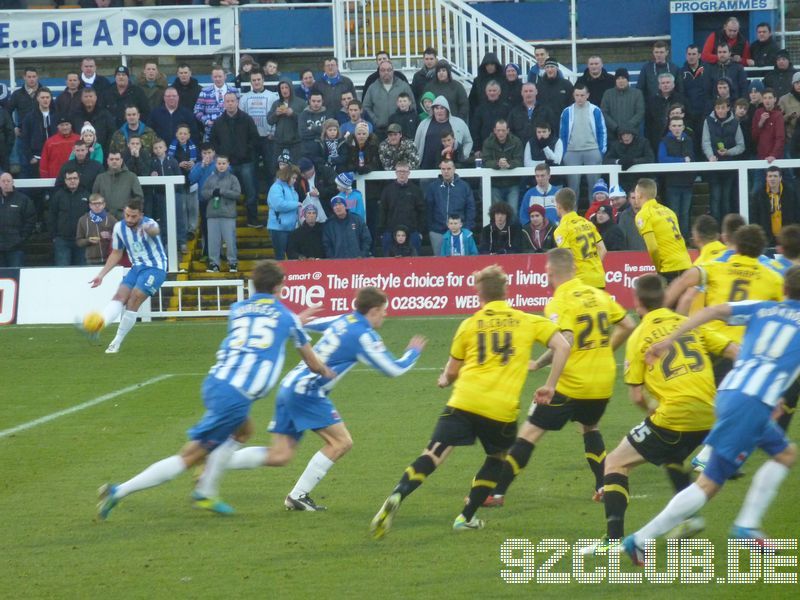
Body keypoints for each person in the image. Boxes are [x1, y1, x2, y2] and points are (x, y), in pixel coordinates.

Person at [97, 260, 335, 519]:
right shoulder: (287, 317)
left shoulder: (238, 308)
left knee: (244, 431)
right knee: (188, 457)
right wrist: (326, 371)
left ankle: (208, 490)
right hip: (235, 396)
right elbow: (312, 363)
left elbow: (261, 327)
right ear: (279, 287)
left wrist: (294, 323)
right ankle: (119, 491)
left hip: (216, 382)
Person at [370, 264, 571, 537]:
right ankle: (465, 516)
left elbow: (452, 371)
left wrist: (444, 379)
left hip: (463, 402)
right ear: (506, 292)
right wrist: (550, 385)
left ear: (479, 295)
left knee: (433, 454)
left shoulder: (469, 324)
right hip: (500, 410)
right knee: (497, 457)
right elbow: (564, 345)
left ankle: (397, 494)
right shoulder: (526, 320)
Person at [621, 266, 800, 564]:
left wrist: (670, 339)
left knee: (784, 454)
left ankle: (747, 524)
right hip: (752, 403)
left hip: (730, 392)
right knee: (709, 483)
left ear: (784, 290)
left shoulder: (765, 309)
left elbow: (714, 310)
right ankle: (641, 539)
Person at [226, 286, 425, 510]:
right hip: (307, 392)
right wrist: (413, 353)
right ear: (373, 311)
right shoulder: (363, 335)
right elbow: (393, 369)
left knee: (279, 455)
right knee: (341, 442)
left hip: (291, 385)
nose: (386, 315)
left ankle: (217, 461)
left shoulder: (346, 319)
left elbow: (318, 324)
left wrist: (300, 321)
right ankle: (298, 496)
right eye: (383, 310)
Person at [586, 274, 738, 551]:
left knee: (616, 462)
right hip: (710, 414)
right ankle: (688, 517)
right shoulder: (687, 324)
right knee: (673, 454)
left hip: (675, 415)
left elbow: (635, 395)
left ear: (637, 302)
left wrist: (650, 409)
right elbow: (734, 351)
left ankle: (613, 539)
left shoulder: (638, 338)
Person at [483, 249, 635, 508]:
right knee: (590, 427)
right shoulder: (599, 295)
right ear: (575, 269)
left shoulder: (558, 301)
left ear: (550, 273)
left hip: (571, 383)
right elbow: (629, 325)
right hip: (602, 382)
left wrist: (549, 383)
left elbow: (566, 340)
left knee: (530, 432)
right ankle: (602, 486)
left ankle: (497, 492)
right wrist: (605, 351)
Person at [87, 198, 167, 354]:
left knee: (135, 297)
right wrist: (101, 275)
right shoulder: (119, 228)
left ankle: (116, 342)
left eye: (134, 216)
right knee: (119, 296)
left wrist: (146, 229)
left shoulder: (150, 224)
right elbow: (117, 253)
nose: (129, 219)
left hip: (155, 268)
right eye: (127, 215)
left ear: (141, 215)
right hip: (136, 268)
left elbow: (155, 231)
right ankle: (99, 324)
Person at [210, 92, 261, 229]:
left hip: (246, 162)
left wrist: (246, 151)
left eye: (233, 101)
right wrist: (222, 156)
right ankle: (227, 220)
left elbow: (254, 138)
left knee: (251, 192)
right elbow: (213, 141)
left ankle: (252, 219)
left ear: (237, 102)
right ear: (224, 103)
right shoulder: (218, 122)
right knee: (225, 192)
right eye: (227, 101)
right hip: (226, 165)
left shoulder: (247, 119)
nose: (230, 103)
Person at [631, 177, 691, 282]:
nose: (635, 196)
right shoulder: (669, 211)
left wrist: (658, 268)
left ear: (640, 194)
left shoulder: (643, 215)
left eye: (635, 192)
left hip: (669, 267)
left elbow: (653, 248)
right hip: (686, 263)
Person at [559, 83, 607, 198]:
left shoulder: (595, 110)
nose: (579, 98)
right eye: (577, 95)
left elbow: (602, 131)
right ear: (573, 96)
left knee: (595, 188)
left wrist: (601, 152)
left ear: (587, 95)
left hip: (592, 150)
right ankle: (571, 214)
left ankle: (594, 214)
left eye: (582, 95)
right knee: (572, 188)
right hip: (572, 152)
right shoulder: (567, 112)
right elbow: (562, 134)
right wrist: (564, 153)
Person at [553, 187, 607, 289]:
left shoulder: (562, 230)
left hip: (581, 282)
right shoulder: (587, 223)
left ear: (559, 206)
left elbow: (567, 258)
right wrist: (591, 267)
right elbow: (602, 249)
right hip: (598, 278)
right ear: (574, 204)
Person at [702, 98, 745, 223]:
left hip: (729, 166)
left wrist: (728, 152)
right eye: (718, 108)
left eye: (723, 108)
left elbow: (741, 145)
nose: (720, 110)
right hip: (713, 166)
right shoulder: (708, 121)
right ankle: (716, 231)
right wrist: (711, 156)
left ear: (728, 108)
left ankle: (725, 230)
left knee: (726, 199)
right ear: (715, 109)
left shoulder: (735, 123)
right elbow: (706, 142)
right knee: (715, 198)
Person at [425, 159, 475, 256]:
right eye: (443, 169)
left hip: (460, 231)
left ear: (454, 169)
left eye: (448, 168)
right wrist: (431, 227)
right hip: (437, 231)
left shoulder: (464, 186)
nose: (446, 171)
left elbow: (470, 208)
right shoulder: (433, 187)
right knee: (440, 263)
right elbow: (428, 208)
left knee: (461, 263)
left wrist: (467, 227)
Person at [201, 154, 241, 273]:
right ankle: (214, 263)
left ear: (228, 164)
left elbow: (237, 193)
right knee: (213, 241)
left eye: (224, 163)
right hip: (212, 214)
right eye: (219, 163)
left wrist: (223, 192)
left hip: (228, 214)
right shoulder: (210, 178)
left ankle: (232, 263)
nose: (221, 166)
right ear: (215, 164)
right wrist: (213, 192)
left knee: (230, 240)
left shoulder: (233, 179)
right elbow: (203, 193)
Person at [658, 116, 695, 238]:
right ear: (669, 127)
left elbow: (691, 158)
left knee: (685, 213)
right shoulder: (664, 141)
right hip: (672, 183)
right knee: (674, 213)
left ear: (683, 127)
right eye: (674, 126)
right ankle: (674, 238)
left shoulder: (688, 140)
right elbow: (662, 159)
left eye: (679, 125)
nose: (677, 128)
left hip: (687, 183)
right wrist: (682, 160)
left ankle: (684, 239)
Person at [379, 162, 425, 255]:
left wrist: (420, 231)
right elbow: (382, 211)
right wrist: (382, 231)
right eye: (399, 171)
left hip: (412, 232)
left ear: (409, 173)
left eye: (404, 171)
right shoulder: (388, 190)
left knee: (415, 263)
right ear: (395, 173)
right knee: (388, 263)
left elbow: (422, 211)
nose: (402, 174)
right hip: (391, 231)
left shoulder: (416, 190)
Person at [414, 96, 472, 170]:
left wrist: (463, 156)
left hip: (450, 168)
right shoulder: (423, 124)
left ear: (447, 109)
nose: (439, 111)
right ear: (433, 110)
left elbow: (468, 142)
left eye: (442, 108)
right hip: (426, 167)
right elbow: (416, 145)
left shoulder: (459, 123)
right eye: (437, 108)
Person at [362, 60, 415, 137]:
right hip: (379, 130)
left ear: (393, 71)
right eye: (383, 70)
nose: (386, 72)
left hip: (400, 131)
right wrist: (376, 121)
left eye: (389, 70)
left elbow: (412, 105)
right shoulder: (372, 87)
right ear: (379, 72)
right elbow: (366, 107)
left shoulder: (403, 86)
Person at [750, 166, 800, 245]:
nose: (772, 179)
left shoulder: (790, 193)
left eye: (775, 176)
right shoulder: (758, 195)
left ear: (780, 178)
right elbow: (754, 217)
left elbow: (796, 214)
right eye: (770, 176)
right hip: (766, 239)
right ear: (766, 178)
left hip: (787, 238)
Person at [49, 169, 90, 266]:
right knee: (63, 272)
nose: (72, 181)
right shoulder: (58, 195)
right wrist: (54, 236)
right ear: (65, 181)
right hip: (62, 240)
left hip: (81, 240)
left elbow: (92, 216)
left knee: (81, 272)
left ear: (79, 180)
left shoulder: (86, 195)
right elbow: (51, 216)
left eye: (75, 178)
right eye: (69, 178)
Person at [482, 119, 524, 210]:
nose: (501, 133)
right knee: (498, 213)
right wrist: (497, 163)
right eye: (498, 130)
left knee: (513, 213)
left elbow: (520, 161)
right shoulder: (488, 142)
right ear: (494, 131)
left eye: (503, 130)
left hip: (513, 183)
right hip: (495, 184)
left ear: (508, 130)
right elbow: (485, 161)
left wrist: (509, 164)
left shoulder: (516, 142)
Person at [91, 151, 144, 220]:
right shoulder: (100, 178)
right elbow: (94, 198)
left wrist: (128, 210)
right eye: (112, 159)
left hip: (126, 219)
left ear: (121, 161)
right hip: (104, 219)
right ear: (107, 161)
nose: (114, 161)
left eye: (117, 159)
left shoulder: (131, 177)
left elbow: (139, 198)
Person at [0, 172, 36, 267]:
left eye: (8, 181)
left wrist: (21, 238)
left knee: (16, 277)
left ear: (13, 182)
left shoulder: (23, 199)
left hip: (15, 248)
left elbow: (31, 220)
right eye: (3, 181)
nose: (6, 183)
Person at [193, 66, 238, 141]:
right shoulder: (205, 91)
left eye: (220, 76)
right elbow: (197, 111)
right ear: (212, 77)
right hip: (211, 133)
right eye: (215, 77)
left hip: (231, 132)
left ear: (225, 76)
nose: (217, 79)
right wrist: (207, 121)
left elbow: (239, 110)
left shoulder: (234, 91)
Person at [267, 164, 301, 261]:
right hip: (278, 228)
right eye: (293, 178)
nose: (295, 180)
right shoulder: (276, 187)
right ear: (287, 176)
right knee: (280, 257)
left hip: (290, 228)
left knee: (292, 255)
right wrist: (296, 204)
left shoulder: (292, 189)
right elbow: (278, 205)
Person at [601, 68, 645, 141]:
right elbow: (604, 112)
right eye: (618, 78)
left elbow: (640, 112)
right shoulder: (608, 94)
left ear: (627, 80)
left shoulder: (637, 93)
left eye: (623, 78)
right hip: (613, 135)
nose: (621, 81)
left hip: (632, 135)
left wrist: (627, 128)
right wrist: (615, 127)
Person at [75, 193, 117, 265]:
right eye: (94, 204)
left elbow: (120, 237)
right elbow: (78, 241)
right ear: (90, 205)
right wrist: (88, 240)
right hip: (90, 260)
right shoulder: (83, 220)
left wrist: (110, 236)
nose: (97, 206)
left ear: (104, 205)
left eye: (99, 203)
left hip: (109, 259)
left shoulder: (111, 219)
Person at [519, 162, 561, 227]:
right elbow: (523, 216)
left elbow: (564, 214)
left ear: (549, 176)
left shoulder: (558, 193)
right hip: (535, 233)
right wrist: (530, 229)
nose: (540, 179)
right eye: (537, 176)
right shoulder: (529, 194)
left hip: (556, 231)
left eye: (542, 176)